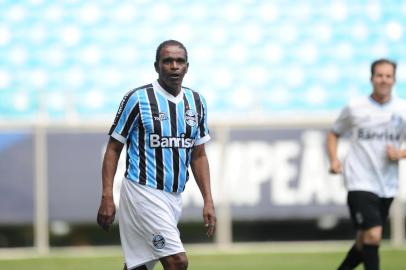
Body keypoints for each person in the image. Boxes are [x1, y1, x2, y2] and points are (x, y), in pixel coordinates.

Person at [97, 40, 216, 270]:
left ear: (187, 67)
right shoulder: (138, 99)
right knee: (177, 261)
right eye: (167, 61)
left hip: (173, 198)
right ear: (156, 66)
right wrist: (107, 196)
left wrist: (208, 200)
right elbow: (113, 148)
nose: (174, 66)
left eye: (179, 61)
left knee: (139, 266)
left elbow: (198, 154)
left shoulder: (197, 102)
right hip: (143, 192)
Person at [326, 58, 406, 270]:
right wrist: (334, 159)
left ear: (394, 80)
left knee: (365, 240)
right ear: (371, 78)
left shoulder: (402, 109)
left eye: (388, 76)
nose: (383, 80)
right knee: (374, 234)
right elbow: (334, 133)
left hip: (387, 184)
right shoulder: (355, 107)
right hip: (359, 180)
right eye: (379, 75)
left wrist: (400, 153)